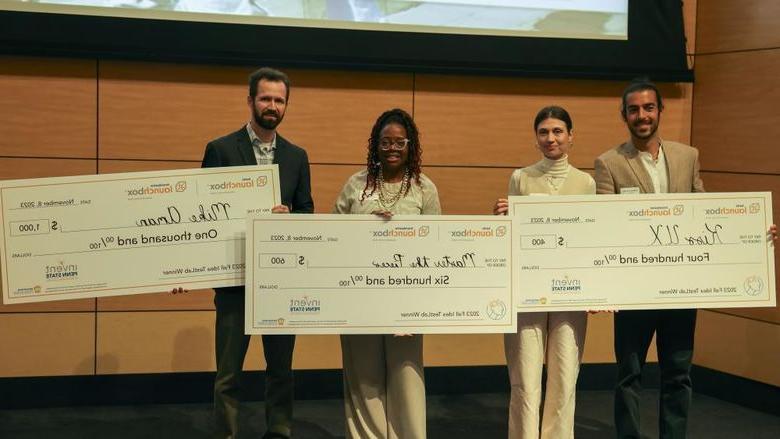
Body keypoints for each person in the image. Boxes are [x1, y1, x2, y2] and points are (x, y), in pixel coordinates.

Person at [201, 67, 314, 439]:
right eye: (265, 98)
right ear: (250, 101)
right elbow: (202, 214)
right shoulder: (219, 150)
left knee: (281, 371)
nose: (272, 106)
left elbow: (307, 213)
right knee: (228, 375)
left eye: (279, 100)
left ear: (286, 105)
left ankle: (279, 432)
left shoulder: (297, 156)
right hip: (235, 280)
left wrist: (288, 218)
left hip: (280, 285)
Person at [332, 108, 440, 439]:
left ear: (411, 145)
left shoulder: (424, 188)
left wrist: (419, 307)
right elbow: (331, 239)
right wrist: (364, 225)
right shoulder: (355, 185)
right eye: (385, 141)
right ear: (375, 145)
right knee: (363, 379)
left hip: (406, 301)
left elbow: (437, 247)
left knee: (406, 376)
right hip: (359, 298)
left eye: (399, 142)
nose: (392, 147)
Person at [493, 106, 594, 439]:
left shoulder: (586, 183)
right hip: (526, 291)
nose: (550, 138)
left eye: (557, 131)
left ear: (570, 136)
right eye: (543, 132)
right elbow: (508, 237)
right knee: (525, 379)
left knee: (565, 377)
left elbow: (593, 240)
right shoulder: (520, 178)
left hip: (571, 292)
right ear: (536, 137)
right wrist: (500, 218)